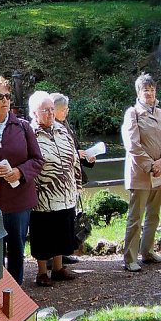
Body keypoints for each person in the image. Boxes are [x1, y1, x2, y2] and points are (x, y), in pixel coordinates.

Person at [0, 77, 44, 285]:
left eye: (7, 96)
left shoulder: (23, 127)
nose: (5, 100)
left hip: (19, 201)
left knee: (16, 251)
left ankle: (16, 292)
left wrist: (20, 172)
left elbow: (38, 160)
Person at [28, 91, 80, 286]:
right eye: (45, 110)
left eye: (52, 109)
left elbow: (74, 158)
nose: (50, 113)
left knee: (61, 231)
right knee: (43, 234)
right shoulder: (30, 133)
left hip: (66, 191)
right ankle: (42, 273)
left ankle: (58, 268)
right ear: (35, 113)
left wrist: (77, 184)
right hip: (43, 195)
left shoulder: (61, 129)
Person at [121, 73, 161, 272]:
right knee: (136, 217)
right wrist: (151, 165)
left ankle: (148, 252)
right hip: (140, 173)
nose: (149, 93)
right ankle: (130, 258)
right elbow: (132, 145)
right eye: (145, 90)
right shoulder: (132, 113)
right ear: (138, 92)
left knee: (154, 214)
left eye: (152, 89)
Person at [52, 92, 93, 265]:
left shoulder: (66, 125)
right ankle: (52, 257)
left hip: (72, 179)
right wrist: (77, 154)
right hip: (58, 181)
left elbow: (75, 148)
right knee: (56, 221)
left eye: (67, 109)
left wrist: (88, 157)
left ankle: (63, 253)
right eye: (64, 109)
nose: (67, 112)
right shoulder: (48, 128)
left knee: (68, 218)